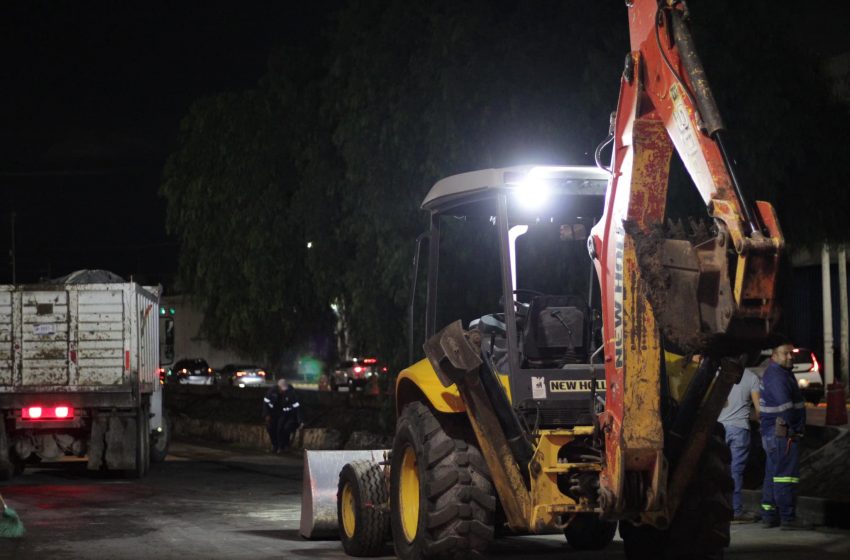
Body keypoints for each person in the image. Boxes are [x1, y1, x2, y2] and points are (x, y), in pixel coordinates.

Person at [759, 342, 808, 530]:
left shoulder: (778, 373)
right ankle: (788, 518)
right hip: (783, 433)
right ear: (774, 355)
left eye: (791, 353)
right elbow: (785, 407)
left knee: (773, 473)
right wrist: (796, 428)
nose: (790, 357)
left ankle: (769, 514)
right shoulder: (778, 375)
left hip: (774, 433)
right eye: (785, 354)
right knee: (785, 476)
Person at [718, 366, 761, 523]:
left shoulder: (719, 374)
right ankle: (735, 510)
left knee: (719, 471)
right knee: (735, 472)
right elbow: (758, 410)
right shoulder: (752, 378)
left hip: (719, 429)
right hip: (740, 429)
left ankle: (720, 508)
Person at [263, 379, 303, 453]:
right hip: (274, 413)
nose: (283, 391)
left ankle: (281, 446)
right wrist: (267, 414)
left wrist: (300, 420)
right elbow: (266, 403)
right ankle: (275, 445)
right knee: (270, 428)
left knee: (280, 429)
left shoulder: (290, 393)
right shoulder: (271, 392)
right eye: (282, 389)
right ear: (278, 387)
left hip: (285, 414)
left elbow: (297, 406)